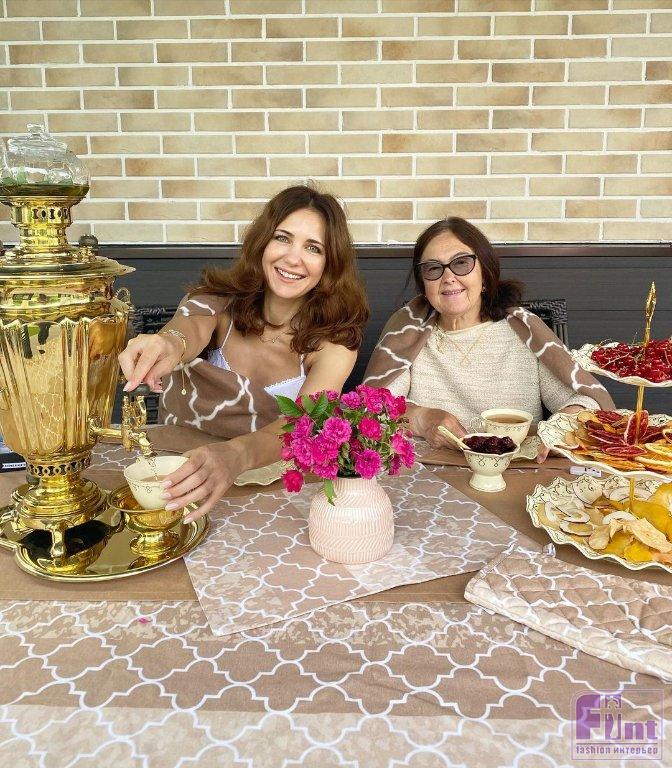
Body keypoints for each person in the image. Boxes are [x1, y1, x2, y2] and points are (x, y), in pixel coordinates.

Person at [119, 185, 369, 520]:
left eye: (313, 248)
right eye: (282, 238)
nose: (293, 258)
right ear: (262, 242)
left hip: (275, 490)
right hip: (180, 472)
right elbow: (185, 330)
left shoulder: (335, 343)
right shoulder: (216, 300)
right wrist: (166, 344)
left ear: (330, 264)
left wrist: (235, 455)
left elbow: (301, 424)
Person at [363, 217, 614, 461]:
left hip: (516, 469)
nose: (448, 277)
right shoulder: (409, 332)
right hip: (432, 472)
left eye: (461, 263)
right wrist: (421, 418)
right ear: (424, 285)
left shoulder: (524, 332)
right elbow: (375, 407)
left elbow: (588, 401)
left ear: (485, 274)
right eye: (433, 268)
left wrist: (562, 426)